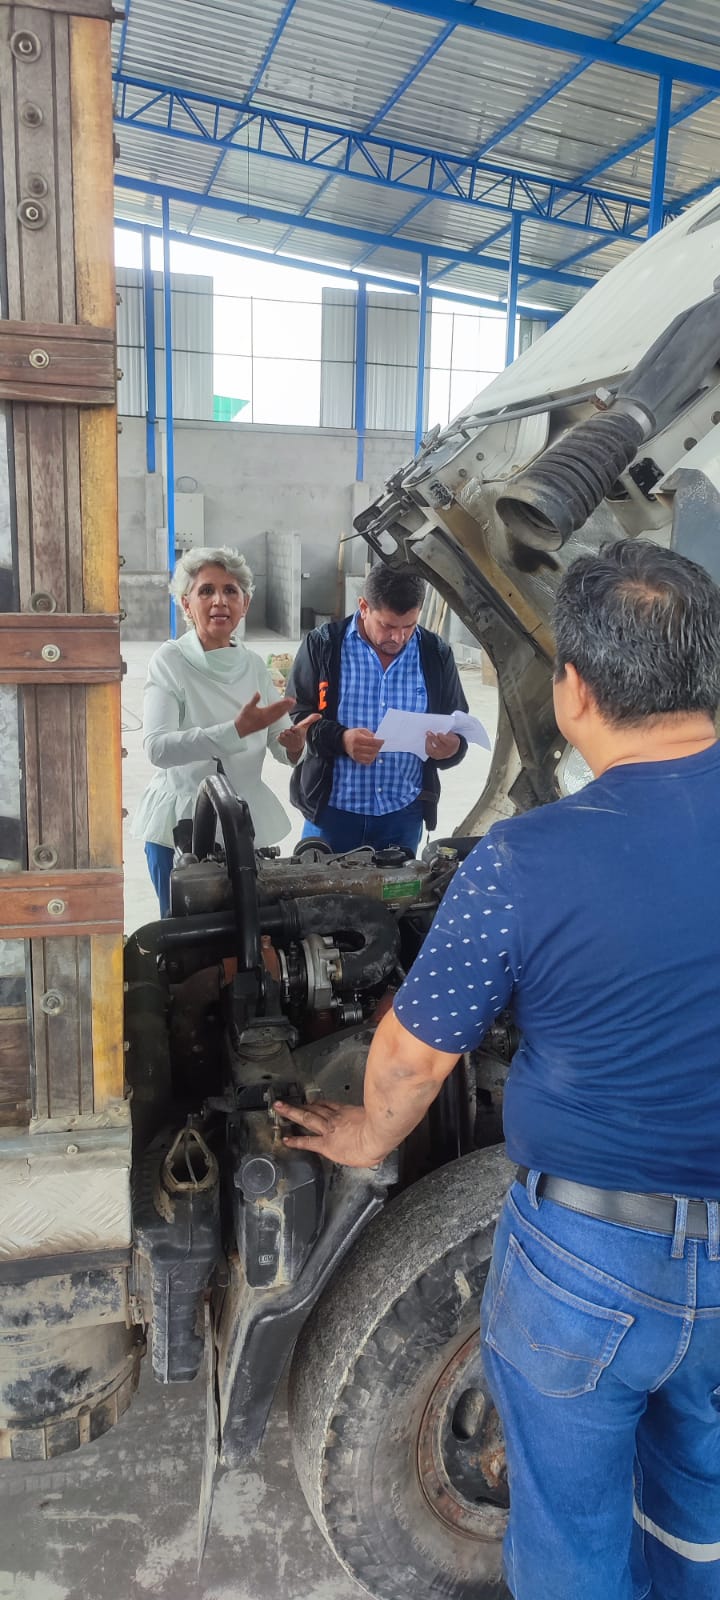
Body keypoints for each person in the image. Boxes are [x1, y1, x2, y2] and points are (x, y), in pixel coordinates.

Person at [276, 538, 720, 1600]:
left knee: (570, 1535)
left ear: (574, 690)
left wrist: (365, 1135)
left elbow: (414, 1053)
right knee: (701, 1515)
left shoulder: (522, 860)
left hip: (589, 1263)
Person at [132, 547, 317, 916]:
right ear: (186, 604)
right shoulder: (171, 660)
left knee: (246, 931)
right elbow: (157, 749)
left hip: (241, 826)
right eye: (206, 591)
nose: (220, 601)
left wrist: (295, 745)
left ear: (244, 604)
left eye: (231, 591)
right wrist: (234, 730)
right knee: (184, 937)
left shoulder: (253, 664)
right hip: (181, 828)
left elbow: (280, 744)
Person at [287, 564, 468, 856]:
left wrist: (452, 748)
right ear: (363, 607)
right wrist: (341, 739)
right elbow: (298, 714)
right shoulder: (323, 645)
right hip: (333, 812)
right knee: (319, 884)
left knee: (400, 887)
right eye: (387, 626)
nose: (398, 637)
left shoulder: (435, 654)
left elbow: (458, 724)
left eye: (409, 626)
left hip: (403, 814)